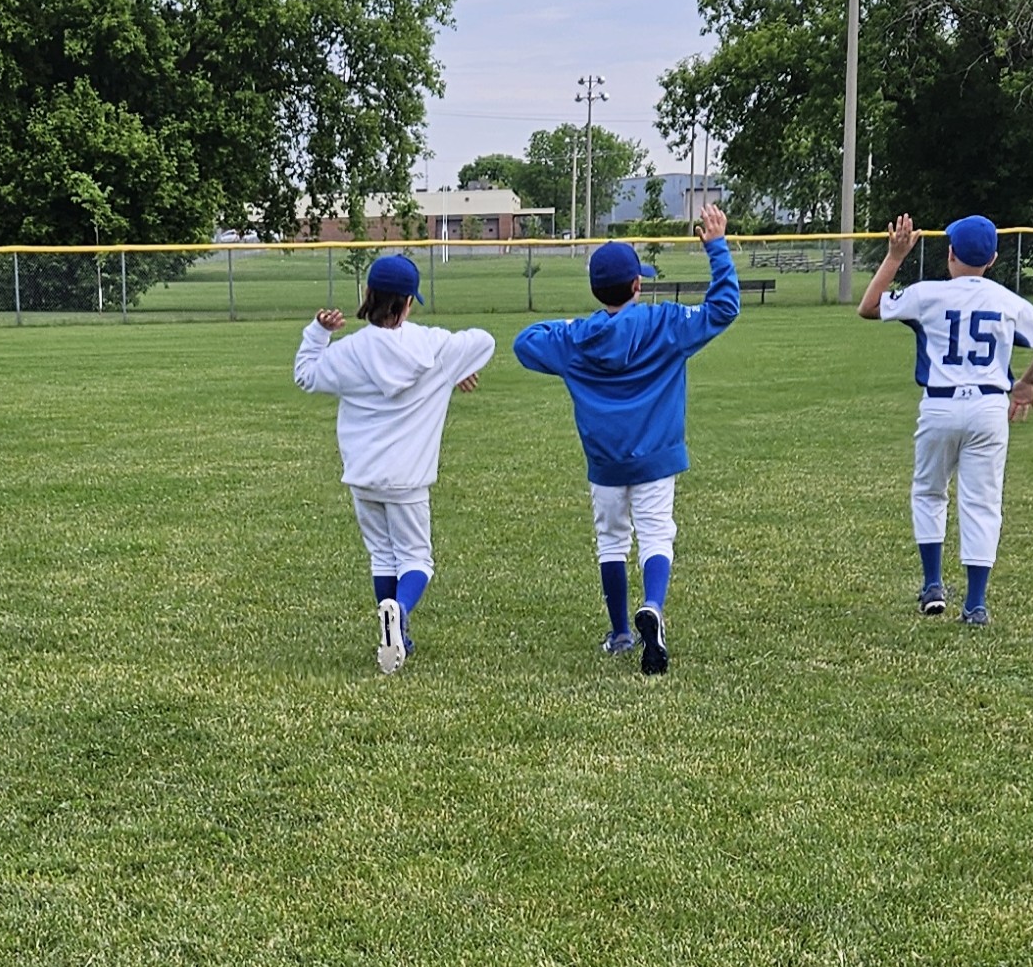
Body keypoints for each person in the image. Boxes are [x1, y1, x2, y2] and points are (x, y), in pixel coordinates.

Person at [512, 203, 739, 675]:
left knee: (612, 541)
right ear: (638, 284)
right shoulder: (665, 323)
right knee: (656, 534)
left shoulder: (577, 339)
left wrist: (575, 329)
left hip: (606, 463)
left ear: (596, 290)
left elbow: (525, 342)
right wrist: (716, 247)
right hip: (657, 457)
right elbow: (723, 308)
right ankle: (652, 607)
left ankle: (619, 632)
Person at [294, 254, 495, 673]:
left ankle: (394, 633)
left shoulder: (349, 352)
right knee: (417, 559)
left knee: (383, 556)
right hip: (408, 479)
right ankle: (399, 612)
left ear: (368, 294)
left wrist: (318, 332)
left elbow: (306, 376)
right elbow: (484, 341)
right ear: (407, 302)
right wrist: (459, 368)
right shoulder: (433, 348)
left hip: (363, 477)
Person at [857, 214, 1033, 625]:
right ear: (993, 259)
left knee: (929, 492)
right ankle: (976, 604)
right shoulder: (1006, 300)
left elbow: (869, 307)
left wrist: (895, 256)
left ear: (949, 253)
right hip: (989, 408)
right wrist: (1025, 383)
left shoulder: (928, 294)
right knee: (982, 502)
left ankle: (933, 585)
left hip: (940, 405)